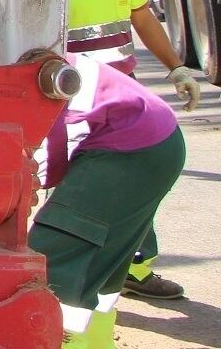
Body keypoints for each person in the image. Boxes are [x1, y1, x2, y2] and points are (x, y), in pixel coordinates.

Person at [65, 0, 204, 300]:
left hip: (123, 97)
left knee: (137, 178)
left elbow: (143, 19)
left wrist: (176, 68)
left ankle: (136, 269)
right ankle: (83, 274)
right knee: (83, 188)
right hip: (74, 104)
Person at [31, 55, 185, 349]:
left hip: (132, 147)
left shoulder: (28, 80)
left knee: (55, 253)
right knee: (105, 260)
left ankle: (66, 340)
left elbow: (50, 156)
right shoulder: (39, 55)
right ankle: (97, 341)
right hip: (159, 141)